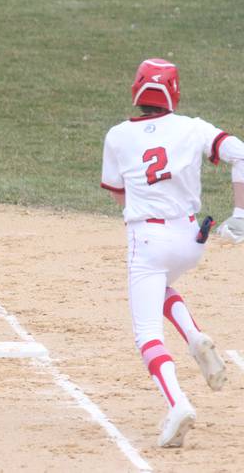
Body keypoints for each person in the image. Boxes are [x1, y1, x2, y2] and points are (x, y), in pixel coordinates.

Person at [101, 58, 244, 448]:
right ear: (174, 92)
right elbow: (240, 153)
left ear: (137, 91)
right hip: (191, 239)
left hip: (148, 241)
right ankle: (195, 336)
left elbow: (117, 193)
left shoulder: (117, 136)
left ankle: (177, 401)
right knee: (161, 285)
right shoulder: (194, 128)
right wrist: (241, 216)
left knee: (146, 335)